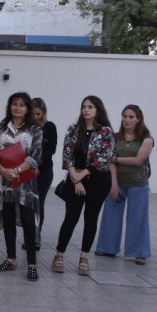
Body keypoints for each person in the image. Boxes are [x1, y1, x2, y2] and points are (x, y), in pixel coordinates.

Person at [51, 96, 116, 277]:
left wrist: (83, 174)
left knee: (91, 218)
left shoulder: (106, 132)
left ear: (98, 110)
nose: (86, 110)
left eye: (90, 107)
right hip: (75, 179)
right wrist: (76, 177)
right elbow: (67, 153)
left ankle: (84, 257)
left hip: (98, 181)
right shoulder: (74, 129)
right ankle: (59, 254)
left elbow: (105, 158)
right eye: (84, 107)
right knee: (71, 217)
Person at [0, 92, 42, 281]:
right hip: (5, 181)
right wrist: (2, 169)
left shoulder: (35, 129)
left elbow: (36, 154)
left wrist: (17, 170)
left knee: (28, 221)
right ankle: (11, 259)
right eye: (14, 104)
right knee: (9, 219)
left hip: (25, 182)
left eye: (21, 105)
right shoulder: (1, 128)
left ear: (28, 108)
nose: (17, 107)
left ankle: (32, 264)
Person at [95, 105, 153, 264]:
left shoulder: (146, 139)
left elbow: (138, 160)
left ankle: (139, 252)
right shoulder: (115, 137)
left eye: (131, 117)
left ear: (138, 119)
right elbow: (109, 162)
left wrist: (115, 158)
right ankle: (107, 248)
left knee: (138, 218)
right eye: (125, 116)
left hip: (138, 184)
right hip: (117, 182)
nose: (127, 120)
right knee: (111, 216)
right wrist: (114, 184)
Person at [30, 98, 57, 251]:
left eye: (38, 114)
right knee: (27, 204)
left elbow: (51, 149)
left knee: (38, 204)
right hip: (27, 169)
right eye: (33, 114)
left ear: (43, 113)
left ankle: (36, 236)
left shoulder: (49, 127)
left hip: (44, 170)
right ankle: (29, 234)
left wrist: (37, 163)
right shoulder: (27, 127)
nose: (36, 117)